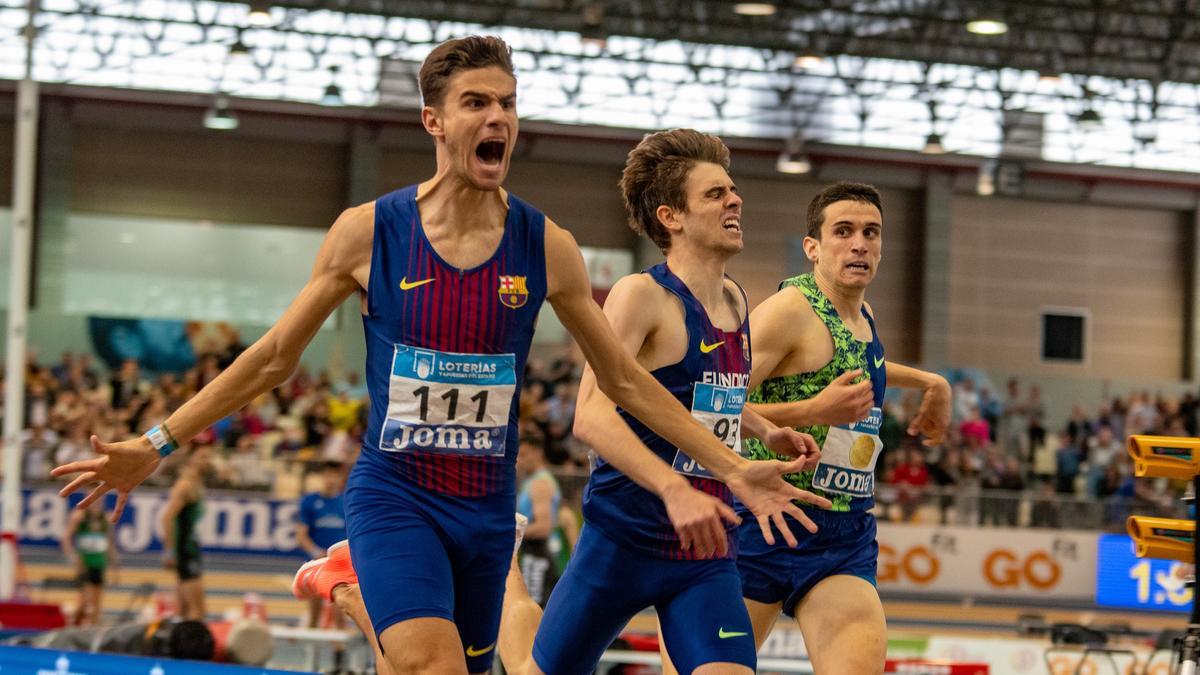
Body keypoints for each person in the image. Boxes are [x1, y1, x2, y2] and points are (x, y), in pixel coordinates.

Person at [55, 36, 817, 675]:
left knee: (447, 663)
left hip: (485, 510)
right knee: (431, 664)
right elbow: (273, 357)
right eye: (477, 103)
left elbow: (621, 380)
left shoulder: (546, 246)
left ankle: (351, 593)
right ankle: (368, 586)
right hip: (397, 492)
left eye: (509, 104)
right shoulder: (370, 232)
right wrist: (155, 442)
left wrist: (728, 468)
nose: (499, 118)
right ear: (434, 120)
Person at [495, 129, 854, 675]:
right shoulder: (641, 296)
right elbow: (591, 416)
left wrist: (761, 428)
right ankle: (502, 561)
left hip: (706, 550)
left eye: (733, 190)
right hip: (625, 540)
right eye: (715, 194)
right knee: (530, 669)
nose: (735, 200)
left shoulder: (735, 299)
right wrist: (672, 487)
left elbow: (704, 397)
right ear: (671, 217)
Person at [696, 182, 952, 675]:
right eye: (844, 231)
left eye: (871, 233)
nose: (859, 244)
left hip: (842, 534)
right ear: (812, 247)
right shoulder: (786, 313)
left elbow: (866, 363)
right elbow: (714, 403)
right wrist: (814, 409)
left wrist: (929, 381)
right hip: (762, 523)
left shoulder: (863, 314)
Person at [160, 445, 210, 621]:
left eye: (208, 457)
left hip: (192, 549)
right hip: (185, 552)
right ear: (191, 459)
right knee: (197, 611)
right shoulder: (185, 486)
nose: (208, 461)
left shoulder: (197, 484)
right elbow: (167, 518)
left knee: (183, 610)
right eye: (203, 456)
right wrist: (169, 551)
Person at [295, 461, 348, 629]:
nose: (331, 479)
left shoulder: (346, 502)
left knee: (341, 611)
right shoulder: (309, 502)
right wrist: (315, 552)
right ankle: (311, 652)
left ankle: (339, 653)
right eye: (328, 475)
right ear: (322, 476)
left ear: (340, 478)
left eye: (335, 475)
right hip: (317, 562)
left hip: (341, 564)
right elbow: (301, 535)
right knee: (314, 612)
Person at [514, 436, 561, 607]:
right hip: (532, 553)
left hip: (537, 554)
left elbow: (543, 527)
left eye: (524, 454)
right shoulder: (532, 481)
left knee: (533, 608)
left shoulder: (540, 484)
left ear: (537, 453)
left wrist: (510, 532)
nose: (519, 460)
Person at [61, 501, 117, 626]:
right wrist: (73, 557)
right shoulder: (79, 516)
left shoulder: (105, 518)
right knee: (84, 603)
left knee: (96, 604)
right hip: (84, 565)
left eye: (101, 500)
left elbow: (110, 543)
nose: (97, 504)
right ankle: (73, 627)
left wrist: (115, 568)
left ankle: (93, 632)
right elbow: (66, 537)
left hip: (99, 564)